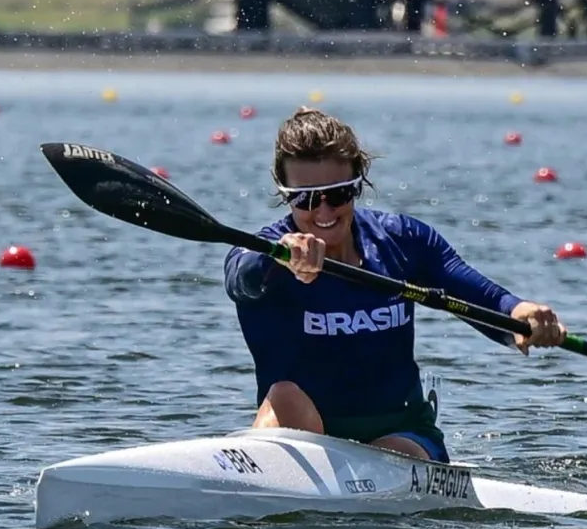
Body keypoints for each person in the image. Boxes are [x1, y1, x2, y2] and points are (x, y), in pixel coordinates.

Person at [223, 107, 566, 464]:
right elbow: (239, 279)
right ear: (284, 193)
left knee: (393, 454)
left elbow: (479, 295)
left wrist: (520, 314)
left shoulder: (402, 241)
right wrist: (276, 258)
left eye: (338, 195)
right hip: (301, 426)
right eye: (306, 198)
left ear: (358, 185)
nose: (323, 212)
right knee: (285, 395)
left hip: (400, 435)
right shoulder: (262, 253)